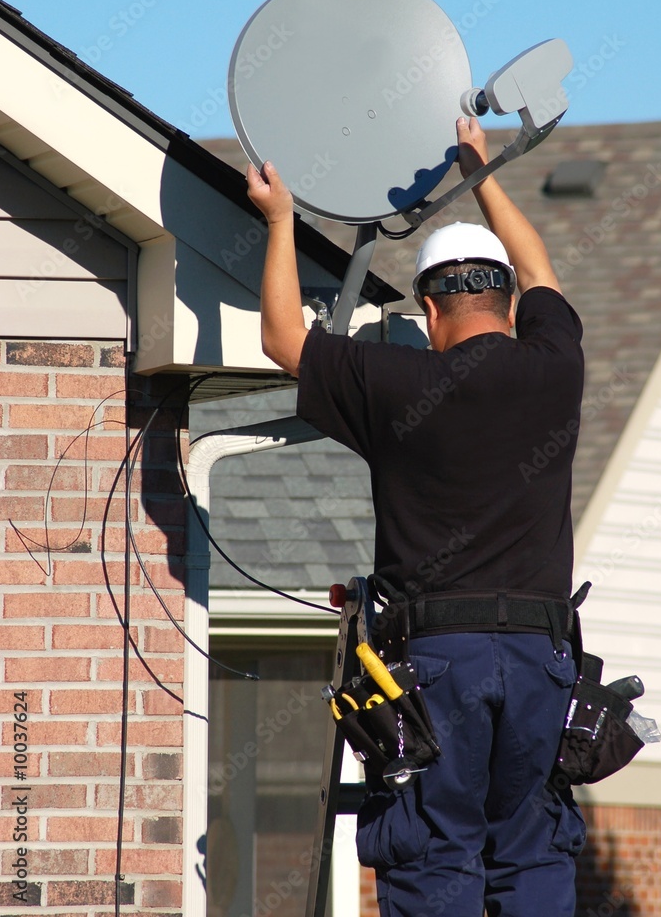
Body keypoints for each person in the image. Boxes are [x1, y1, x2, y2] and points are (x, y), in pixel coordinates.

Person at [246, 116, 586, 917]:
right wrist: (481, 170)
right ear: (510, 306)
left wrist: (279, 220)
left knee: (434, 858)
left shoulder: (395, 384)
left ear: (430, 314)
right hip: (542, 658)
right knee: (533, 856)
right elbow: (542, 270)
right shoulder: (557, 366)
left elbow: (283, 338)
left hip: (438, 663)